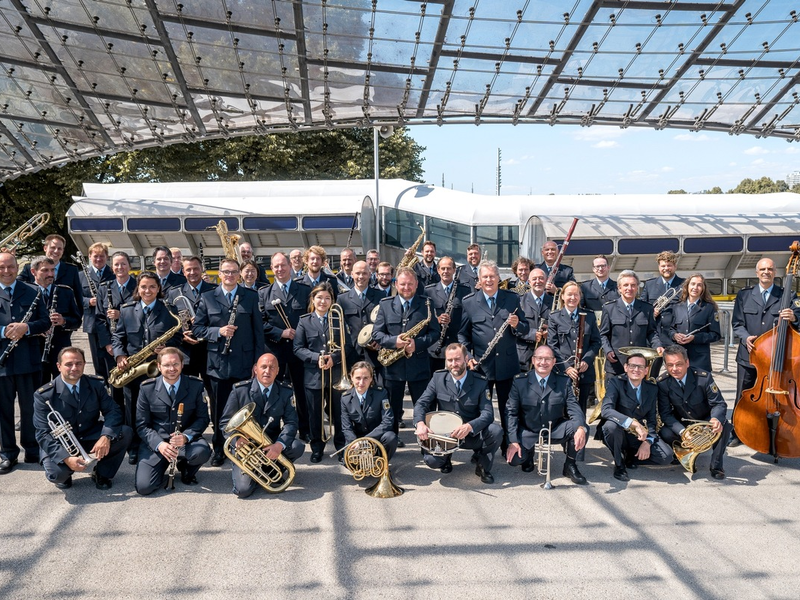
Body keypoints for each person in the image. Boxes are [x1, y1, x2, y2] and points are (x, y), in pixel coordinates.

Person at [193, 257, 265, 466]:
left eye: (234, 272)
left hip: (244, 363)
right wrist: (218, 331)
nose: (230, 275)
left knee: (245, 410)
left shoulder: (250, 297)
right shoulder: (208, 297)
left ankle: (246, 448)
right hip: (218, 366)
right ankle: (219, 448)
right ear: (220, 274)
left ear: (239, 274)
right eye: (226, 272)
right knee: (219, 410)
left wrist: (257, 363)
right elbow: (198, 329)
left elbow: (258, 334)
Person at [33, 347, 131, 489]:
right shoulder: (44, 394)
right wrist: (66, 458)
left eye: (79, 363)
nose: (74, 368)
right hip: (61, 443)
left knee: (125, 432)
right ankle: (65, 474)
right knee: (57, 475)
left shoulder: (95, 384)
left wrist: (106, 436)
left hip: (90, 435)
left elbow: (113, 411)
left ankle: (102, 473)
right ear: (59, 366)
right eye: (69, 364)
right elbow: (42, 433)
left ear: (85, 364)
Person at [458, 260, 529, 454]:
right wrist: (468, 356)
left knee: (509, 408)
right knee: (481, 410)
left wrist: (517, 325)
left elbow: (525, 328)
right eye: (485, 277)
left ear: (498, 278)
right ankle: (481, 447)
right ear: (479, 280)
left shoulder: (511, 299)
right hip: (481, 367)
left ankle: (509, 443)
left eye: (492, 276)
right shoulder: (469, 301)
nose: (489, 280)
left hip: (507, 365)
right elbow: (462, 334)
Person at [112, 271, 183, 464]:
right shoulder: (127, 310)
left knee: (157, 409)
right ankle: (134, 447)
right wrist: (120, 356)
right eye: (143, 286)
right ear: (138, 288)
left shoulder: (168, 310)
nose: (148, 290)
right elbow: (118, 337)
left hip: (158, 370)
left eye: (152, 286)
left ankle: (157, 443)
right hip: (133, 370)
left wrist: (167, 348)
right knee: (133, 410)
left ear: (158, 288)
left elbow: (177, 338)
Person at [730, 257, 800, 446]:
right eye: (763, 269)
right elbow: (737, 323)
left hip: (776, 359)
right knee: (743, 394)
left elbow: (799, 322)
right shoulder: (744, 295)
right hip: (749, 356)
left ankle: (773, 432)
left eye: (770, 269)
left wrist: (794, 317)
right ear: (756, 272)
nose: (766, 272)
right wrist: (745, 337)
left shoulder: (788, 295)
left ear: (775, 272)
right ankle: (737, 432)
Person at [414, 343, 502, 483]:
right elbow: (421, 403)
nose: (454, 364)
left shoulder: (480, 382)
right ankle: (445, 459)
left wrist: (469, 426)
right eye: (450, 360)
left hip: (470, 434)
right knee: (432, 461)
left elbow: (488, 413)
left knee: (496, 431)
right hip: (445, 436)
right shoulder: (438, 379)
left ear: (466, 359)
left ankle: (482, 465)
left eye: (457, 359)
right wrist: (420, 423)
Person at [220, 353, 304, 498]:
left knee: (297, 446)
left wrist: (279, 444)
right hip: (245, 448)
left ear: (278, 371)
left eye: (272, 367)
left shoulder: (285, 391)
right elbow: (224, 422)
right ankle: (258, 473)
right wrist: (236, 440)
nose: (267, 371)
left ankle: (269, 470)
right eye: (263, 367)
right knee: (243, 490)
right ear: (255, 369)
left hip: (270, 442)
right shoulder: (240, 390)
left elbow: (291, 422)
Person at [372, 267, 440, 439]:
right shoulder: (386, 304)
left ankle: (427, 445)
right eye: (402, 284)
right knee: (391, 410)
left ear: (417, 284)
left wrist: (416, 344)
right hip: (393, 367)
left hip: (419, 365)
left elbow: (435, 333)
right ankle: (391, 443)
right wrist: (394, 341)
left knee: (424, 408)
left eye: (410, 284)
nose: (406, 287)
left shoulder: (427, 303)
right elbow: (376, 334)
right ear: (396, 284)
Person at [506, 345, 588, 485]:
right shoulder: (520, 381)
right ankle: (528, 455)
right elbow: (511, 412)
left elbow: (573, 407)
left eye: (547, 359)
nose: (543, 362)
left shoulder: (563, 381)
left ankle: (570, 465)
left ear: (554, 361)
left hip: (554, 429)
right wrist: (513, 440)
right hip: (528, 430)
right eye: (540, 358)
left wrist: (580, 427)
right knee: (515, 460)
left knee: (581, 428)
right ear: (533, 360)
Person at [0, 251, 51, 474]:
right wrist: (4, 331)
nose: (6, 271)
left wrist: (26, 328)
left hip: (29, 361)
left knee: (30, 409)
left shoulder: (32, 291)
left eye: (10, 266)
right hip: (2, 363)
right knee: (3, 411)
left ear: (16, 266)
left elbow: (45, 321)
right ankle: (7, 453)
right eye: (2, 267)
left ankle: (32, 449)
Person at [135, 348, 211, 495]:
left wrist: (186, 436)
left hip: (184, 443)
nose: (172, 369)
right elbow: (142, 425)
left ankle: (186, 469)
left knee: (201, 451)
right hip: (157, 444)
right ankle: (162, 465)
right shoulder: (147, 388)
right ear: (158, 366)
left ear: (182, 365)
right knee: (144, 487)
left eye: (176, 364)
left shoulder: (196, 385)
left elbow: (203, 419)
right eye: (167, 365)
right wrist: (159, 445)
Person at [259, 252, 311, 441]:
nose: (280, 269)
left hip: (299, 350)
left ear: (290, 266)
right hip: (275, 350)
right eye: (276, 266)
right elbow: (260, 323)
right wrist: (279, 332)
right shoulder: (264, 293)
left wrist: (302, 332)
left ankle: (305, 429)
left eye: (283, 265)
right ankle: (272, 430)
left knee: (302, 391)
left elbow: (311, 318)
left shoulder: (305, 291)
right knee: (273, 391)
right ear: (272, 269)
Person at [657, 345, 730, 480]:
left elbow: (719, 403)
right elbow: (665, 414)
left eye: (679, 364)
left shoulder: (703, 377)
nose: (674, 369)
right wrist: (683, 432)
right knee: (665, 432)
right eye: (670, 365)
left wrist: (715, 419)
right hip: (683, 423)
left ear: (687, 362)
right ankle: (683, 453)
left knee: (724, 425)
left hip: (706, 420)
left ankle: (716, 465)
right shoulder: (662, 383)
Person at [294, 282, 348, 462]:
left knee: (339, 413)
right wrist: (315, 357)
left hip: (336, 374)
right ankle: (317, 447)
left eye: (327, 298)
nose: (323, 302)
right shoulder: (304, 320)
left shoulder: (338, 319)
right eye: (319, 298)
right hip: (314, 376)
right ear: (312, 299)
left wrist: (335, 357)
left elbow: (347, 346)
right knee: (315, 414)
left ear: (332, 300)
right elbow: (298, 348)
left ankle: (341, 446)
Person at [600, 352, 673, 482]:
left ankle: (632, 457)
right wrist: (634, 424)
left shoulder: (652, 388)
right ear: (626, 367)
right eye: (633, 366)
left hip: (639, 436)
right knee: (610, 427)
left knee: (666, 457)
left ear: (646, 370)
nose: (636, 370)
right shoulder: (616, 382)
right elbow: (606, 410)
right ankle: (619, 464)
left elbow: (652, 419)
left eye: (640, 367)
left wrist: (648, 442)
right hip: (619, 432)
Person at [547, 282, 601, 436]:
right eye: (569, 294)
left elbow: (596, 342)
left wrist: (587, 360)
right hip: (562, 372)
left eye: (576, 294)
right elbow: (552, 345)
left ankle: (579, 444)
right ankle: (565, 438)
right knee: (562, 407)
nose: (572, 297)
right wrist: (566, 367)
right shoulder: (555, 317)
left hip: (583, 372)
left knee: (581, 408)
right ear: (562, 296)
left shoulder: (588, 316)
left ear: (580, 296)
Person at [599, 270, 661, 377]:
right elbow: (603, 334)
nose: (629, 288)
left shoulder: (647, 308)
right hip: (616, 363)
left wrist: (658, 346)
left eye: (633, 285)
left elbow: (652, 332)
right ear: (619, 288)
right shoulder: (609, 308)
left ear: (637, 288)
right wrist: (608, 351)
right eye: (625, 285)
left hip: (639, 364)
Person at [29, 256, 82, 381]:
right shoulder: (26, 292)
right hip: (35, 351)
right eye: (45, 270)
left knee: (64, 390)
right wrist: (37, 328)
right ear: (33, 272)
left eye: (52, 270)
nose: (50, 274)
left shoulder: (65, 292)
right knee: (38, 391)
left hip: (60, 350)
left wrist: (63, 321)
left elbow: (77, 321)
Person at [165, 255, 217, 382]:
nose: (192, 272)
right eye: (188, 269)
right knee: (187, 394)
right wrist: (182, 335)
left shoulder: (215, 290)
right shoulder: (174, 293)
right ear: (183, 271)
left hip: (209, 350)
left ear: (202, 269)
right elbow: (169, 322)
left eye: (196, 269)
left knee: (214, 393)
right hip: (186, 352)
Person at [96, 251, 138, 406]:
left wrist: (121, 314)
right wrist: (108, 344)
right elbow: (99, 319)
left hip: (134, 344)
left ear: (129, 266)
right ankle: (117, 422)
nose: (120, 267)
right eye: (116, 264)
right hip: (112, 347)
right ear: (112, 268)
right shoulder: (104, 288)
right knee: (115, 385)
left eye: (123, 264)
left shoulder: (139, 286)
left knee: (133, 386)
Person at [337, 260, 385, 384]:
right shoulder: (342, 299)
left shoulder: (381, 296)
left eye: (364, 273)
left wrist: (380, 341)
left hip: (375, 354)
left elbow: (386, 322)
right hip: (352, 353)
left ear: (370, 274)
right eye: (357, 273)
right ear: (352, 274)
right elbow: (340, 327)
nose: (360, 277)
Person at [639, 251, 685, 376]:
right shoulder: (650, 284)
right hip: (655, 336)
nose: (666, 268)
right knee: (651, 374)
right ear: (659, 267)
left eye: (669, 265)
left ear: (675, 266)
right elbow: (641, 308)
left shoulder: (684, 284)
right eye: (663, 265)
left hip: (675, 337)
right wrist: (650, 313)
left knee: (677, 373)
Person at [341, 361, 397, 461]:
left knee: (391, 437)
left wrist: (366, 440)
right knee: (349, 462)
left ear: (371, 378)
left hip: (377, 437)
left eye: (366, 378)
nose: (361, 383)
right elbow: (346, 427)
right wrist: (355, 443)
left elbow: (388, 421)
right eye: (358, 378)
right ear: (351, 377)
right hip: (356, 440)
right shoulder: (345, 398)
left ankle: (381, 464)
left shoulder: (381, 393)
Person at [423, 256, 471, 372]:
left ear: (454, 270)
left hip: (458, 346)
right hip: (436, 348)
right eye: (443, 268)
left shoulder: (465, 290)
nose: (446, 271)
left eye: (449, 268)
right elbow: (423, 317)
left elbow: (468, 318)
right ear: (438, 270)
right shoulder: (429, 291)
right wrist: (437, 320)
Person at [667, 273, 721, 372]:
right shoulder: (677, 306)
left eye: (699, 285)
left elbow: (715, 335)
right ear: (687, 286)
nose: (695, 287)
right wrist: (675, 335)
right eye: (693, 284)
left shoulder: (709, 308)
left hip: (700, 359)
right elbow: (670, 329)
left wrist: (695, 338)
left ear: (703, 288)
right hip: (679, 356)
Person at [78, 243, 114, 381]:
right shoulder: (81, 276)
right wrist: (88, 302)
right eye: (95, 256)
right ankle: (101, 389)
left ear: (107, 257)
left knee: (112, 359)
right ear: (90, 257)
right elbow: (75, 298)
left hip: (111, 323)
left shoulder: (113, 274)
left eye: (102, 256)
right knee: (98, 362)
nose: (98, 259)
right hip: (92, 323)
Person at [17, 234, 83, 310]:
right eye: (53, 247)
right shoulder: (30, 267)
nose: (56, 251)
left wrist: (72, 319)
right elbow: (17, 285)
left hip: (61, 316)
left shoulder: (71, 270)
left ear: (63, 251)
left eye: (59, 248)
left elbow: (78, 298)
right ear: (45, 248)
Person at [516, 268, 549, 371]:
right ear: (529, 282)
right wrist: (532, 334)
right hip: (524, 357)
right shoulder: (519, 301)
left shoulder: (554, 302)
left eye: (541, 278)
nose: (538, 281)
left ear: (546, 280)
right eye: (534, 279)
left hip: (547, 357)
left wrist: (550, 332)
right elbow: (514, 327)